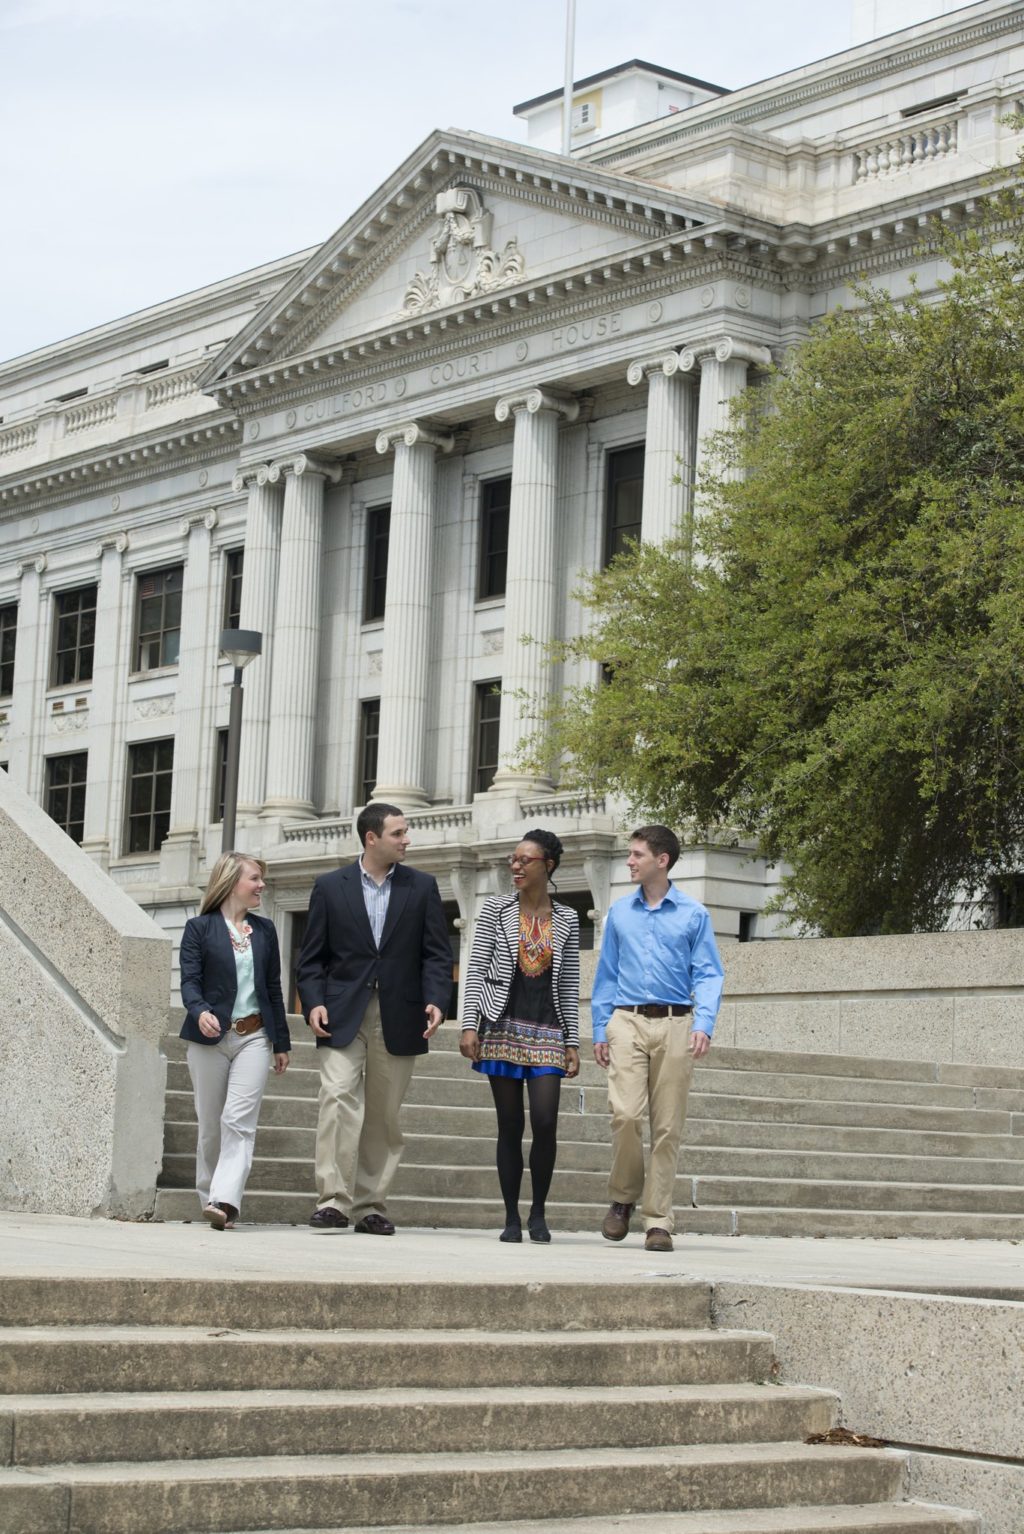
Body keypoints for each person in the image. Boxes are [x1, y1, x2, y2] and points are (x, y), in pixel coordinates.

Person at [298, 802, 452, 1235]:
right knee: (337, 1097)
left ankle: (369, 1206)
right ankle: (332, 1200)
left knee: (384, 1115)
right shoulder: (330, 887)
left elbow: (437, 955)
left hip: (401, 1015)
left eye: (406, 832)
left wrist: (438, 998)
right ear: (371, 838)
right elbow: (311, 959)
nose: (407, 840)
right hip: (342, 1013)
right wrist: (313, 1002)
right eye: (398, 833)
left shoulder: (422, 887)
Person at [591, 824, 724, 1254]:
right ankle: (622, 1198)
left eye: (636, 855)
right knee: (626, 1114)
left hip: (677, 1023)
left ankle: (659, 1220)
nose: (629, 861)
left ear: (661, 860)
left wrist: (704, 1023)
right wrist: (600, 1028)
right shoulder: (619, 914)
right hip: (626, 1020)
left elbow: (707, 973)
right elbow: (606, 974)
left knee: (667, 1126)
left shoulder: (693, 914)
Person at [459, 830, 581, 1243]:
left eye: (524, 860)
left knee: (545, 1122)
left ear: (547, 866)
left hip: (548, 1027)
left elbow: (568, 983)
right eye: (513, 859)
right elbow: (476, 970)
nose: (515, 866)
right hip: (502, 1024)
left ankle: (539, 1212)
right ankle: (511, 1216)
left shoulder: (566, 918)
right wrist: (469, 1024)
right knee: (509, 1124)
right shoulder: (495, 910)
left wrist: (573, 1042)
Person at [178, 851, 290, 1230]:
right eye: (255, 878)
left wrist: (282, 1042)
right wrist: (200, 1011)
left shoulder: (266, 930)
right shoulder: (200, 928)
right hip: (208, 1038)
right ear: (231, 882)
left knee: (238, 1121)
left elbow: (273, 987)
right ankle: (210, 1196)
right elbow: (189, 981)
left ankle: (225, 1200)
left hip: (254, 1037)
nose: (262, 885)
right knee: (211, 1125)